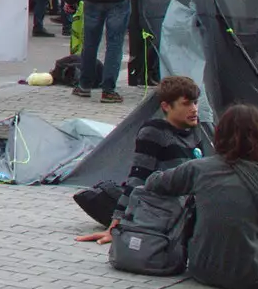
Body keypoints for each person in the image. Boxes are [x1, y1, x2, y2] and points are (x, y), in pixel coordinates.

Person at [142, 104, 258, 289]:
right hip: (255, 275)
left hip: (202, 269)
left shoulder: (198, 168)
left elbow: (153, 183)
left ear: (219, 134)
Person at [76, 75, 205, 239]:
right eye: (186, 104)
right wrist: (116, 222)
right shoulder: (154, 132)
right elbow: (137, 178)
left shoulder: (193, 128)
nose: (194, 109)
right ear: (166, 106)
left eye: (195, 102)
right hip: (163, 212)